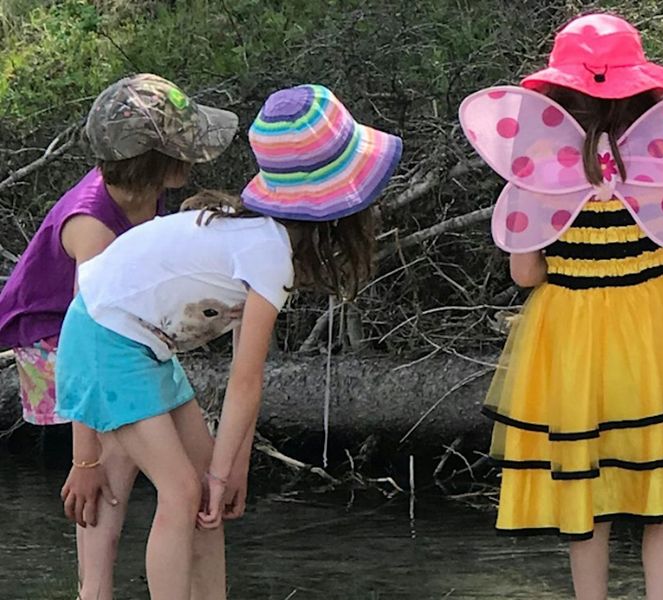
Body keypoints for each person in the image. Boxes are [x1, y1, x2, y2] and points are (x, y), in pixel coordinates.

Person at [53, 83, 402, 600]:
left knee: (203, 496)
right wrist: (218, 474)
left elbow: (245, 366)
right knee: (184, 491)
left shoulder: (260, 240)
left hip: (140, 343)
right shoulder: (269, 255)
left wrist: (230, 467)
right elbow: (245, 380)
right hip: (104, 337)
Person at [460, 13, 663, 600]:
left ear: (556, 91)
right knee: (662, 493)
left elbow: (523, 271)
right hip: (652, 334)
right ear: (644, 91)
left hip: (569, 337)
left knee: (584, 487)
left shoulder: (536, 166)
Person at [0, 73, 237, 600]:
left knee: (149, 457)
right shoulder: (93, 228)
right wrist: (82, 460)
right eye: (186, 149)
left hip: (123, 330)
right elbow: (89, 342)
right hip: (59, 337)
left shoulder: (139, 192)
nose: (196, 158)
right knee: (111, 465)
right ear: (160, 161)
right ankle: (96, 591)